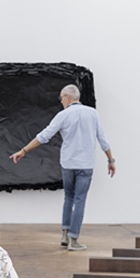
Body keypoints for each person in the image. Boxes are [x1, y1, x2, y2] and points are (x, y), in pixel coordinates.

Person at [10, 84, 115, 251]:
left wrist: (23, 150)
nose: (61, 101)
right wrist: (111, 160)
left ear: (67, 97)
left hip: (68, 164)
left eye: (61, 98)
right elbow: (103, 139)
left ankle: (65, 235)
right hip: (86, 165)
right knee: (80, 200)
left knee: (69, 198)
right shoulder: (92, 113)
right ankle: (74, 239)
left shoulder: (63, 115)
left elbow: (44, 136)